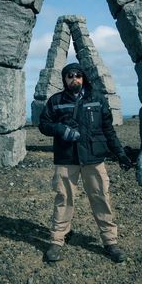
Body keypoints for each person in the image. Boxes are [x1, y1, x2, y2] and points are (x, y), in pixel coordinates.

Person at [39, 62, 134, 263]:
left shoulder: (98, 99)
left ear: (83, 78)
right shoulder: (55, 101)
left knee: (101, 198)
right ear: (64, 79)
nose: (75, 79)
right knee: (63, 199)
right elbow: (44, 124)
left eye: (78, 75)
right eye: (70, 75)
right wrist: (61, 129)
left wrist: (121, 155)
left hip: (93, 159)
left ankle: (110, 242)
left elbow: (108, 130)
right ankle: (57, 240)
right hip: (67, 159)